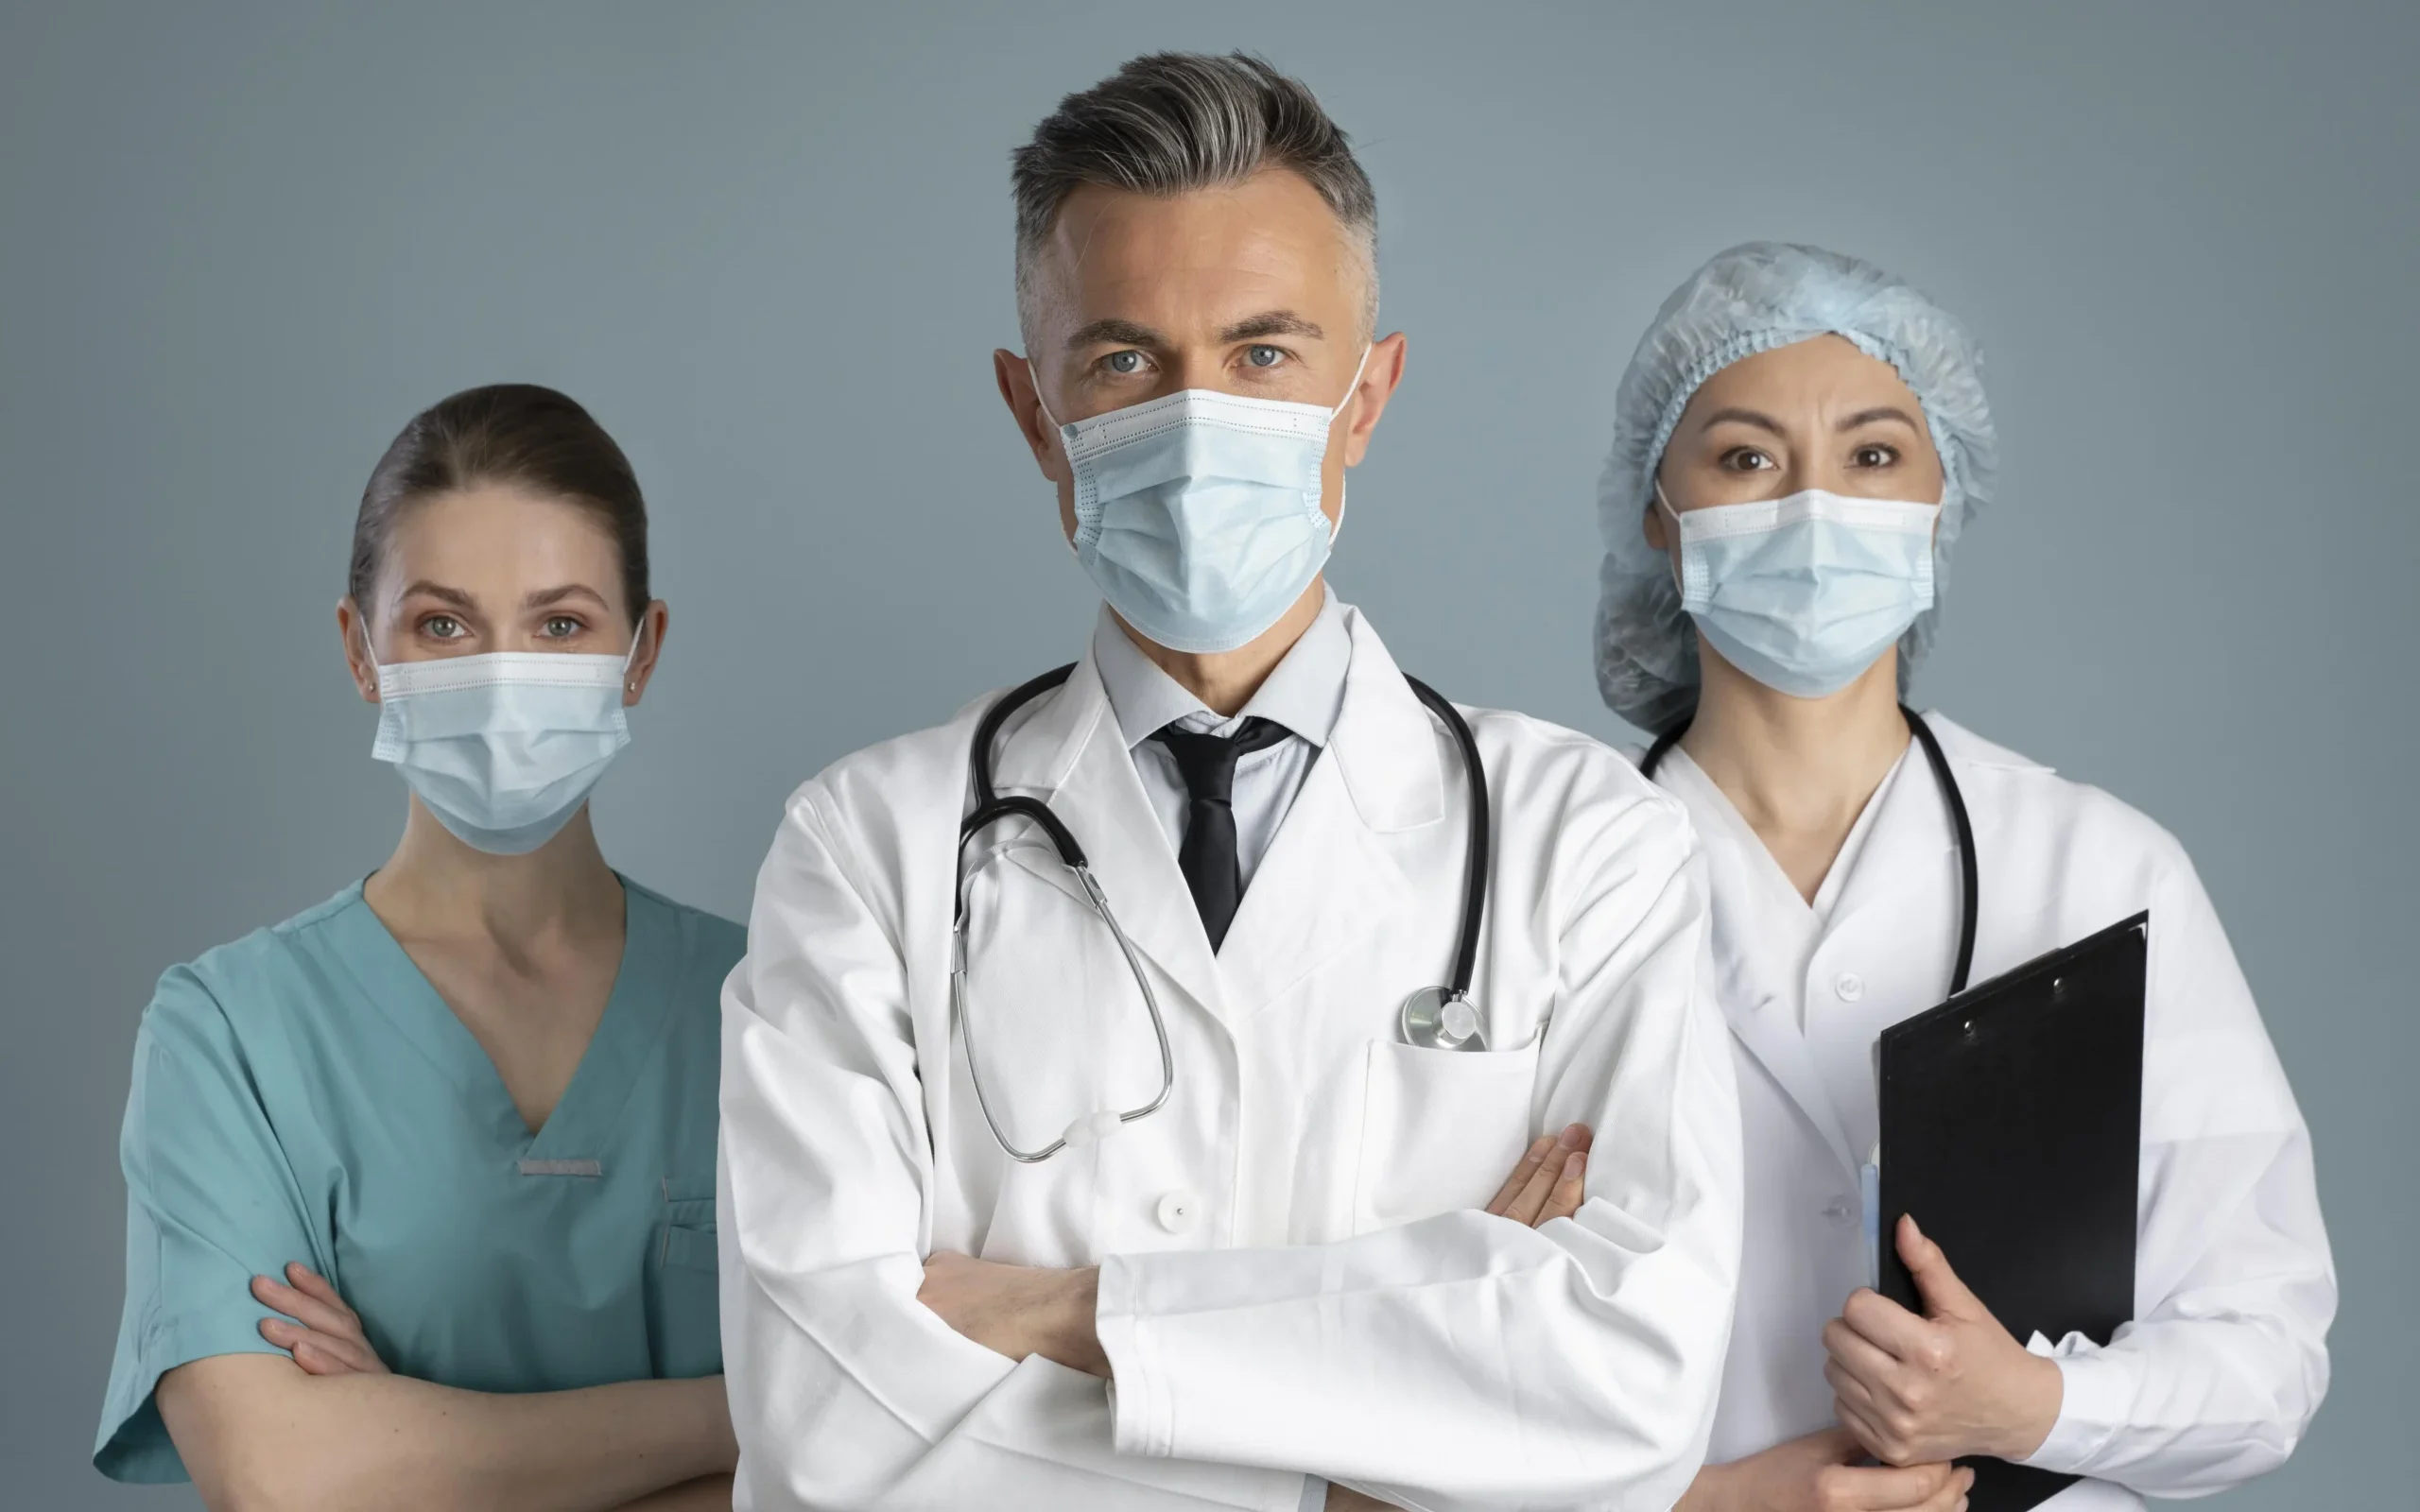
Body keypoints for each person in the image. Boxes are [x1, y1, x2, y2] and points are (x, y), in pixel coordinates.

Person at [717, 52, 1743, 1512]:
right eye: (1126, 360)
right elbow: (826, 1431)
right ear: (1034, 413)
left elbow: (1630, 1389)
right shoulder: (865, 847)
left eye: (1265, 355)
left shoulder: (1586, 844)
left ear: (1367, 397)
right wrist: (1377, 1452)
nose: (1199, 420)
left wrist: (1058, 1314)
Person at [1592, 243, 2336, 1511]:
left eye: (1874, 456)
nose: (1813, 510)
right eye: (1746, 457)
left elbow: (2265, 1355)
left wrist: (2032, 1405)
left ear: (1942, 503)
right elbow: (1438, 1368)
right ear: (1660, 514)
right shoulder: (1548, 873)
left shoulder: (2100, 870)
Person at [95, 385, 743, 1510]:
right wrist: (747, 1414)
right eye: (442, 625)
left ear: (640, 654)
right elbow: (277, 1470)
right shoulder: (231, 1034)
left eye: (560, 625)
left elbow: (890, 1460)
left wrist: (405, 1446)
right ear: (361, 650)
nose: (500, 676)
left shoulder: (776, 1009)